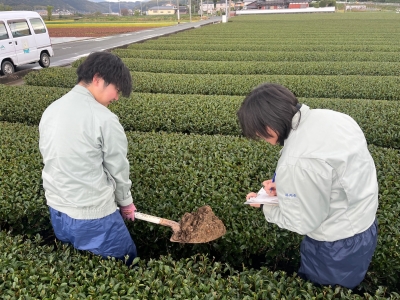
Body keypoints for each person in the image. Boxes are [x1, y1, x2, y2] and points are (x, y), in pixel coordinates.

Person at [237, 83, 378, 289]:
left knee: (324, 291)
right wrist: (287, 188)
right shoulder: (333, 117)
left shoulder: (298, 160)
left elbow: (303, 223)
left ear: (268, 128)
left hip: (335, 246)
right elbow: (332, 175)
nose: (263, 140)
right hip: (365, 223)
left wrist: (266, 206)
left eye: (259, 135)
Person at [39, 51, 137, 265]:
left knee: (80, 265)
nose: (116, 97)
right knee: (126, 261)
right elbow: (118, 169)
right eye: (116, 89)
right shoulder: (104, 119)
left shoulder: (51, 110)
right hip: (92, 216)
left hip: (57, 211)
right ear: (98, 79)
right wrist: (126, 203)